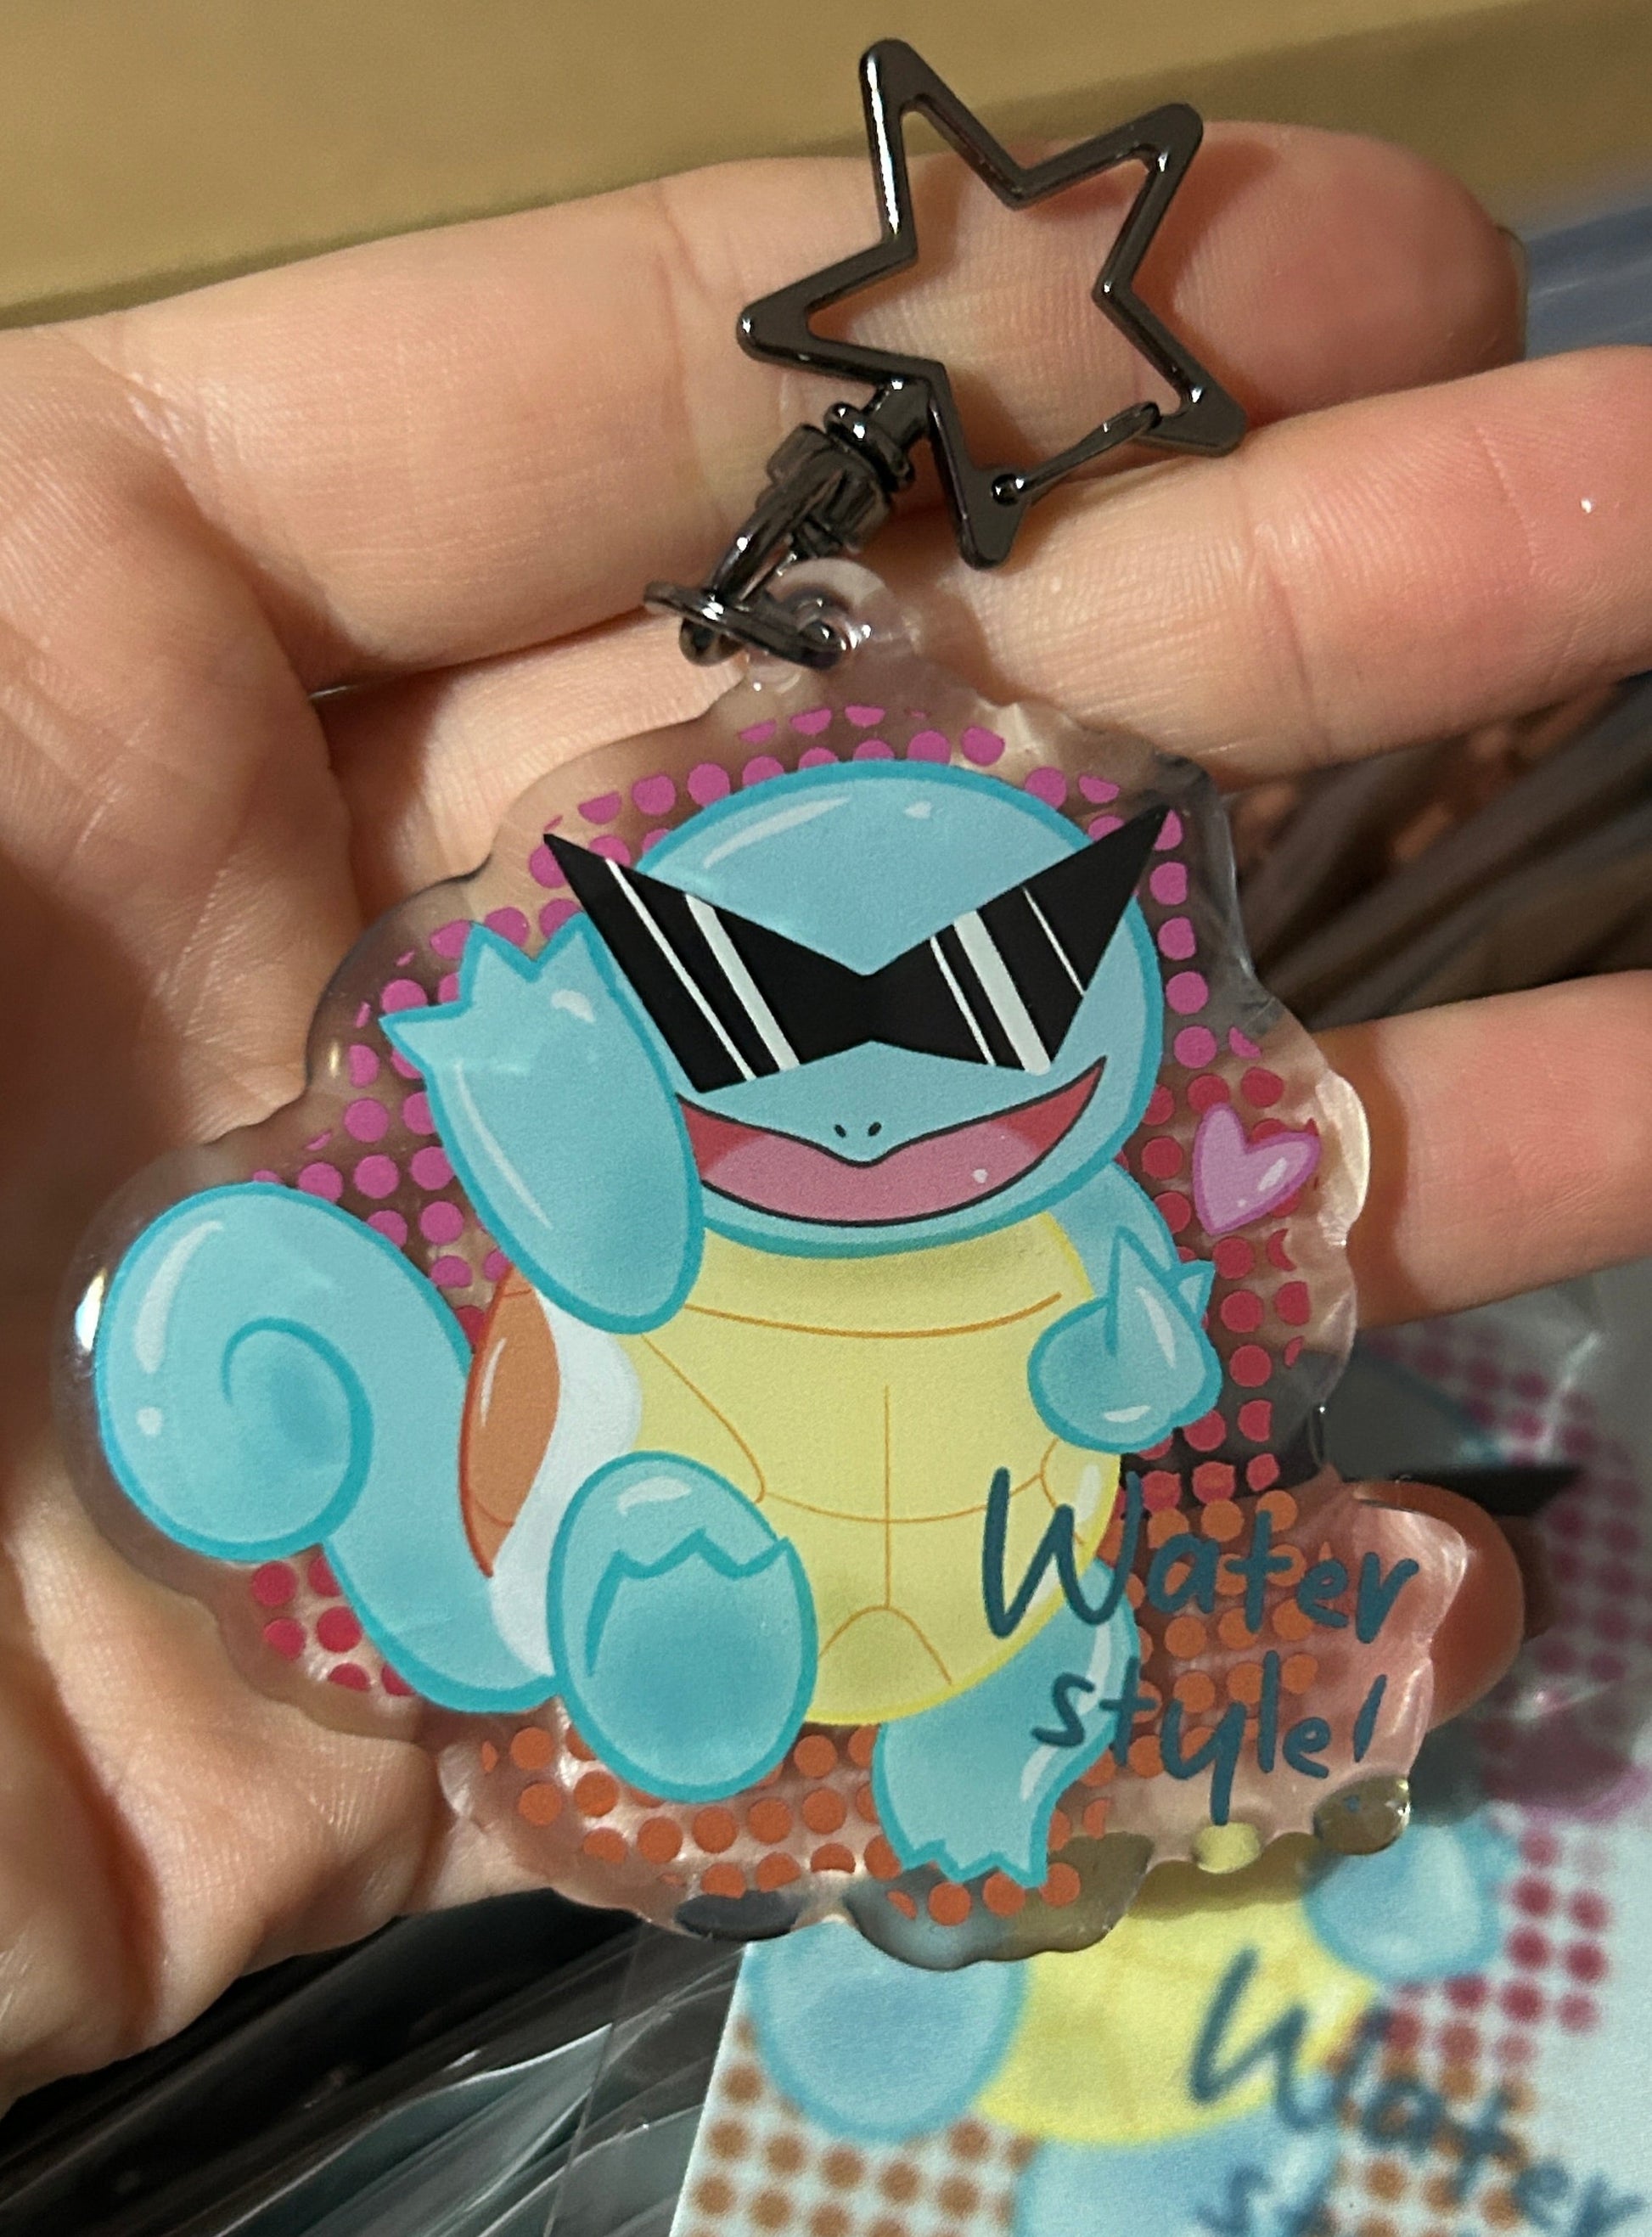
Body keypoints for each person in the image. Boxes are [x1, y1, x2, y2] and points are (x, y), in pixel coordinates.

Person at [0, 118, 1647, 2111]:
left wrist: (1132, 1353)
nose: (871, 1109)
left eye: (979, 1015)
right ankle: (668, 1648)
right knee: (670, 1528)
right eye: (756, 1022)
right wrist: (544, 1104)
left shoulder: (1088, 1200)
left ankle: (955, 1739)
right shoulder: (634, 1171)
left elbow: (1131, 1388)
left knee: (1030, 1649)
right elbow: (602, 1268)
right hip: (632, 1523)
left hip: (969, 1593)